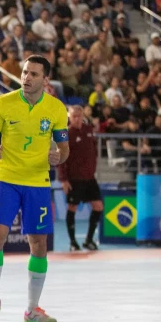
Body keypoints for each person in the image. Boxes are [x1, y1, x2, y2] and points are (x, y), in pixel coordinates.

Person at [0, 55, 69, 322]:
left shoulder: (56, 109)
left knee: (38, 244)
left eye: (33, 74)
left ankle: (32, 310)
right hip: (6, 177)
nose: (27, 78)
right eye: (25, 73)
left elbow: (64, 149)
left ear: (45, 79)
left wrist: (59, 157)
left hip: (38, 181)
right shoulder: (3, 103)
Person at [57, 106, 103, 251]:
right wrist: (64, 180)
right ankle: (73, 242)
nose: (77, 119)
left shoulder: (88, 130)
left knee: (98, 206)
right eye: (74, 116)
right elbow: (61, 157)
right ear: (69, 117)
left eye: (79, 116)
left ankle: (88, 240)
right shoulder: (66, 133)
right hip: (74, 179)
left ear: (82, 115)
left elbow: (94, 150)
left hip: (89, 178)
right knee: (73, 207)